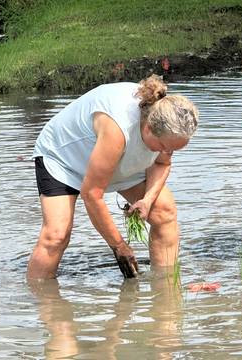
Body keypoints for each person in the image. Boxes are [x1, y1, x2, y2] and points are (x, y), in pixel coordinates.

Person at [27, 75, 199, 279]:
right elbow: (91, 194)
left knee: (164, 212)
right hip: (64, 160)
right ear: (148, 128)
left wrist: (147, 200)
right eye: (164, 147)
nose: (167, 152)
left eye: (173, 149)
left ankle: (165, 292)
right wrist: (119, 246)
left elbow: (162, 163)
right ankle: (39, 299)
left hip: (119, 160)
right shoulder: (117, 128)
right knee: (56, 236)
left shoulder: (166, 120)